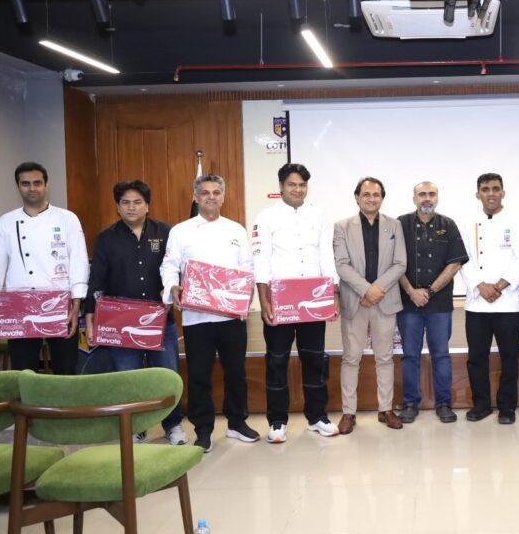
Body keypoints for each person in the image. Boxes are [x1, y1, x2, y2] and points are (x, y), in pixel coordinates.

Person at [160, 173, 258, 453]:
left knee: (236, 373)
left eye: (216, 192)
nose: (211, 197)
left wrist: (244, 299)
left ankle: (237, 422)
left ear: (223, 197)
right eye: (205, 193)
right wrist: (173, 286)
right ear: (196, 196)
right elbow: (169, 265)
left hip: (231, 317)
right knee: (199, 375)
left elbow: (247, 268)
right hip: (196, 318)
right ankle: (203, 431)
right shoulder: (181, 231)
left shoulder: (236, 230)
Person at [85, 180, 187, 445]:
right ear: (118, 207)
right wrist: (91, 318)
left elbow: (178, 268)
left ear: (147, 205)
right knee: (129, 379)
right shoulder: (106, 238)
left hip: (160, 320)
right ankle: (137, 427)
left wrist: (172, 291)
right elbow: (96, 281)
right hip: (121, 323)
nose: (131, 207)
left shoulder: (166, 233)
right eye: (125, 202)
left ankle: (173, 425)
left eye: (137, 202)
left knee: (167, 376)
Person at [252, 163, 340, 444]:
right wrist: (264, 299)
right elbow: (261, 259)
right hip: (281, 300)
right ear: (281, 186)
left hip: (313, 297)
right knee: (276, 361)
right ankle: (277, 421)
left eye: (302, 185)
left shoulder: (320, 215)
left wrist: (333, 293)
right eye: (292, 184)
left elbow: (326, 255)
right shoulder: (266, 217)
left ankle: (317, 417)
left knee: (314, 359)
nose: (297, 189)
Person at [0, 161, 88, 375]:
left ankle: (64, 399)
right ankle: (27, 399)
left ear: (46, 185)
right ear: (18, 187)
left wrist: (75, 308)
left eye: (37, 183)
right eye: (25, 183)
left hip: (60, 304)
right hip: (19, 305)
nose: (32, 188)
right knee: (23, 371)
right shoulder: (5, 223)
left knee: (66, 369)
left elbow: (79, 263)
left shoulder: (67, 219)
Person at [333, 177, 407, 434]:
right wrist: (366, 290)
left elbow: (400, 263)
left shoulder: (395, 225)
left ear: (382, 198)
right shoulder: (342, 226)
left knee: (384, 358)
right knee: (350, 358)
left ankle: (385, 409)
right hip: (355, 301)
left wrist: (376, 290)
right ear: (357, 197)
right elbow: (341, 264)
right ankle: (348, 412)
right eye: (366, 194)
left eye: (376, 194)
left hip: (384, 300)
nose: (371, 198)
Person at [459, 173, 519, 425]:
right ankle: (481, 405)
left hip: (508, 302)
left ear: (503, 192)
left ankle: (507, 407)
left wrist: (499, 286)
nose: (491, 193)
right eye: (485, 189)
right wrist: (481, 286)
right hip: (477, 303)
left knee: (509, 357)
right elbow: (463, 259)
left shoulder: (516, 221)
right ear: (478, 194)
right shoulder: (467, 222)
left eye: (495, 189)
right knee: (476, 358)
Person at [397, 181, 468, 424]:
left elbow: (455, 263)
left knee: (441, 355)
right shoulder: (400, 224)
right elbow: (394, 262)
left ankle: (444, 403)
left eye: (431, 194)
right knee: (410, 355)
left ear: (437, 197)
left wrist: (429, 290)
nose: (427, 198)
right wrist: (411, 291)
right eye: (422, 194)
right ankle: (410, 403)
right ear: (414, 198)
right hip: (408, 303)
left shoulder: (448, 225)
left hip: (439, 304)